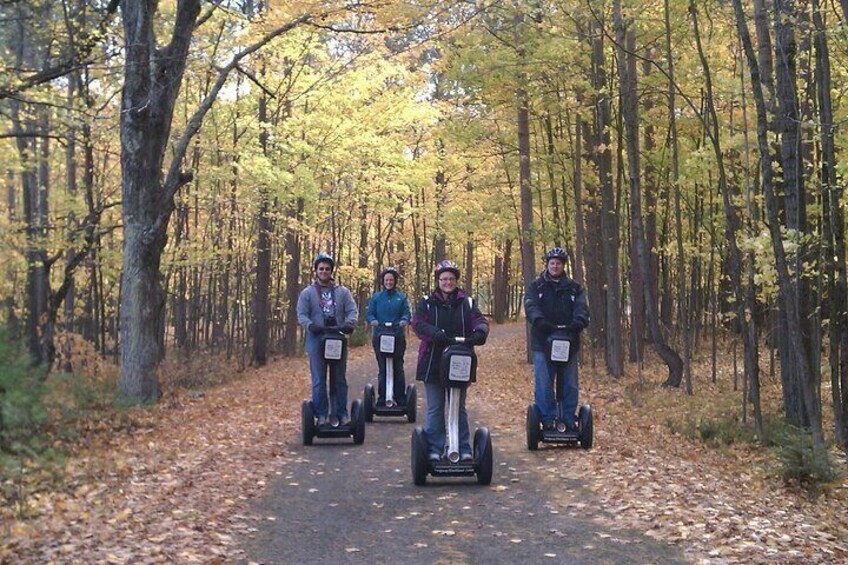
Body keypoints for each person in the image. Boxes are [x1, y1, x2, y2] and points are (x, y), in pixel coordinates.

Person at [412, 260, 489, 462]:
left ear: (456, 280)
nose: (447, 282)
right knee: (436, 408)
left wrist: (480, 332)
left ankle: (462, 448)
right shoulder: (427, 302)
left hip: (460, 361)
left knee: (458, 407)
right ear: (438, 281)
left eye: (451, 279)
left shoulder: (467, 303)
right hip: (433, 362)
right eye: (444, 279)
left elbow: (479, 320)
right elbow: (418, 323)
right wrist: (434, 333)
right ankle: (435, 449)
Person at [524, 247, 589, 431]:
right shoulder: (536, 286)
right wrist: (539, 320)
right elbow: (530, 305)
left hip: (569, 341)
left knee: (569, 382)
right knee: (544, 382)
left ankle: (568, 418)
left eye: (558, 263)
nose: (555, 266)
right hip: (542, 342)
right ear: (547, 264)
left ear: (563, 265)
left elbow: (582, 307)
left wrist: (579, 321)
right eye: (552, 263)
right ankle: (549, 419)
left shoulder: (574, 287)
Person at [297, 253, 359, 426]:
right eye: (321, 268)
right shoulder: (308, 293)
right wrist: (310, 325)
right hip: (317, 339)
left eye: (327, 269)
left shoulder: (342, 292)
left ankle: (341, 414)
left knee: (339, 379)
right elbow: (301, 314)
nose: (324, 271)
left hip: (337, 338)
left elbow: (352, 310)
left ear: (332, 271)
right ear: (316, 271)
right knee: (319, 379)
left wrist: (349, 324)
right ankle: (322, 415)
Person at [366, 267, 411, 406]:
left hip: (397, 336)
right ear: (383, 281)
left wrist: (404, 320)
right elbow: (370, 313)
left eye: (391, 280)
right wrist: (372, 320)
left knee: (398, 367)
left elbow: (407, 313)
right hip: (380, 336)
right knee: (383, 368)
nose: (389, 282)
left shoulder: (401, 297)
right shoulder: (377, 297)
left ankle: (400, 398)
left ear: (395, 281)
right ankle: (382, 397)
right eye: (386, 280)